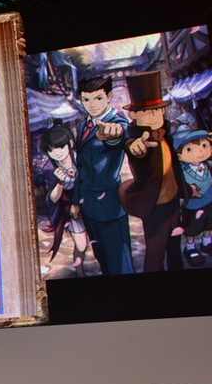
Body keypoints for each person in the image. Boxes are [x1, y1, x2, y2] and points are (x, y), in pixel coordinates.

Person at [120, 70, 186, 272]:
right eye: (148, 112)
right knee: (155, 255)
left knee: (175, 251)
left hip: (174, 203)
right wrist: (135, 147)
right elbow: (134, 148)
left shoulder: (165, 135)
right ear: (133, 115)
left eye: (158, 111)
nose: (155, 116)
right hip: (155, 206)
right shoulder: (140, 141)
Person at [72, 76, 133, 275]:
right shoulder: (83, 125)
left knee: (120, 266)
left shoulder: (117, 122)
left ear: (109, 97)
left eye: (98, 98)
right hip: (88, 204)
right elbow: (81, 167)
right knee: (104, 263)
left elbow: (118, 136)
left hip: (109, 206)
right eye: (86, 100)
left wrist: (113, 136)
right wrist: (76, 201)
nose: (92, 105)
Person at [39, 123, 89, 274]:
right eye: (51, 150)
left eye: (61, 147)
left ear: (70, 144)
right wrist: (60, 182)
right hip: (71, 209)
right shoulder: (50, 168)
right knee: (81, 245)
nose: (57, 153)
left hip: (91, 201)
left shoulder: (81, 157)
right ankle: (80, 273)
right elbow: (53, 199)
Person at [174, 129, 212, 266]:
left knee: (209, 223)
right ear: (179, 156)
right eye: (190, 149)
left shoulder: (208, 165)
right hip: (192, 205)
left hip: (210, 201)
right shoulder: (182, 171)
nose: (200, 151)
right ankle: (190, 247)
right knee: (192, 227)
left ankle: (207, 242)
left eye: (204, 145)